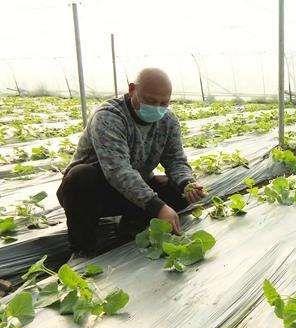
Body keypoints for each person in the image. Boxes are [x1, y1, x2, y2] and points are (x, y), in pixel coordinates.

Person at [57, 68, 205, 256]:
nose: (157, 108)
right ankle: (83, 248)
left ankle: (132, 223)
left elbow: (175, 159)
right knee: (80, 176)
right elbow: (118, 171)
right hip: (95, 192)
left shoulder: (168, 120)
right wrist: (157, 206)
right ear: (132, 89)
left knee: (179, 191)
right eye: (151, 101)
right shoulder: (109, 116)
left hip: (132, 190)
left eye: (164, 103)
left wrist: (186, 183)